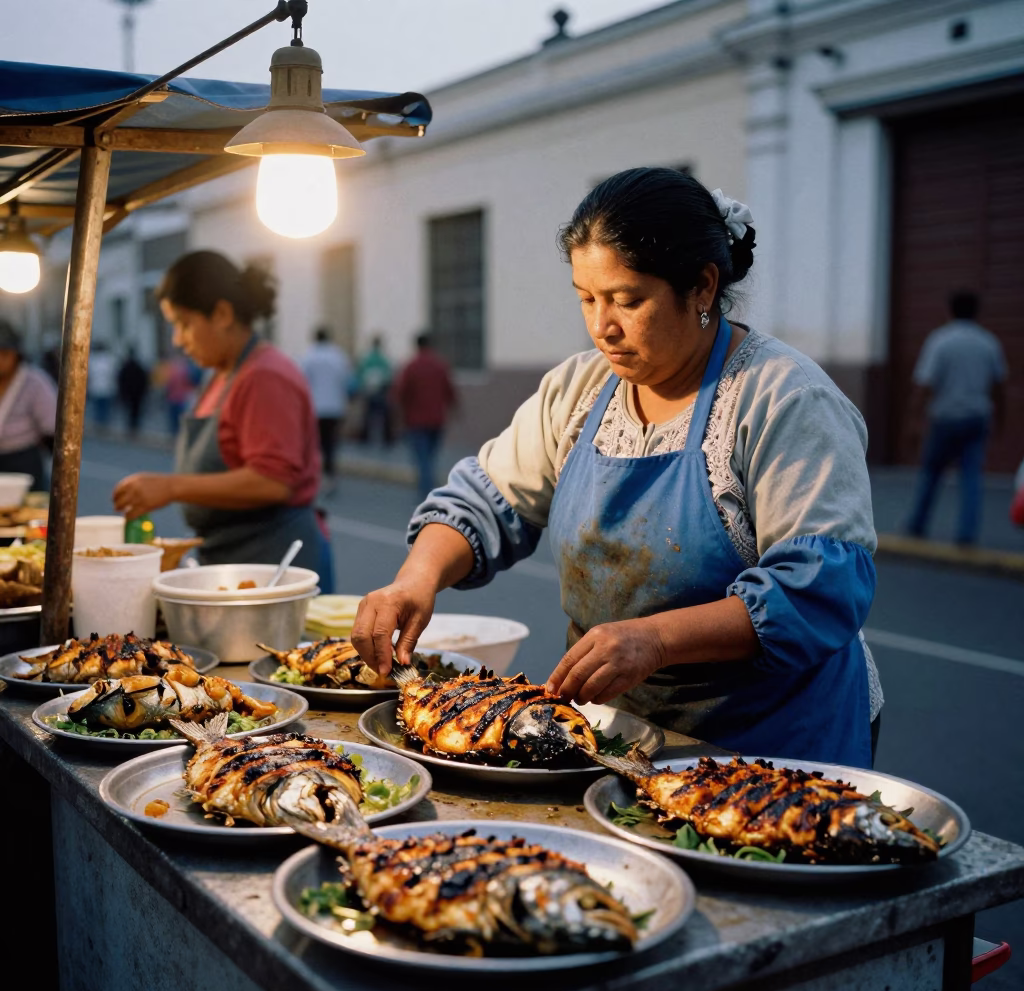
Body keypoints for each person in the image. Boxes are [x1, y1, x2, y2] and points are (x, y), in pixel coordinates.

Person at [352, 168, 881, 768]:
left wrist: (655, 639)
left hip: (772, 748)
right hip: (618, 736)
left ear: (703, 288)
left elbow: (818, 589)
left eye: (628, 300)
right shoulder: (577, 392)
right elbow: (485, 499)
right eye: (587, 298)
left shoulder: (782, 400)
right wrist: (416, 579)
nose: (603, 326)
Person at [111, 251, 333, 587]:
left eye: (184, 324)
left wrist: (171, 487)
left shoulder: (265, 376)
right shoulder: (220, 375)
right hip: (231, 558)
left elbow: (272, 482)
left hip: (274, 564)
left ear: (222, 314)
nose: (177, 339)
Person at [906, 291, 1007, 545]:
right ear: (977, 312)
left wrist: (914, 419)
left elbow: (925, 384)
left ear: (949, 311)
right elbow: (999, 386)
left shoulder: (940, 341)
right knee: (971, 476)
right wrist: (1000, 419)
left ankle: (917, 525)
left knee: (931, 473)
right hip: (976, 417)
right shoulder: (988, 342)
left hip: (945, 418)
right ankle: (966, 533)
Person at [392, 332, 457, 500]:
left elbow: (401, 392)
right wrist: (454, 409)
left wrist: (400, 414)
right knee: (430, 456)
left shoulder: (411, 366)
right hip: (436, 419)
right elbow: (449, 389)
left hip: (416, 420)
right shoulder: (440, 365)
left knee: (422, 458)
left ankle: (427, 492)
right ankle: (429, 486)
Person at [0, 319, 57, 490]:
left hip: (23, 460)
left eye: (4, 354)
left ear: (16, 354)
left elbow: (51, 428)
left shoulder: (35, 382)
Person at [300, 326, 352, 494]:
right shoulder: (338, 356)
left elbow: (302, 381)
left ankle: (317, 476)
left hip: (315, 408)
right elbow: (347, 380)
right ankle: (331, 475)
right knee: (331, 444)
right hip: (335, 408)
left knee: (315, 445)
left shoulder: (309, 356)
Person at [356, 335, 393, 446]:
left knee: (367, 415)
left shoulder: (367, 358)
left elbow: (360, 373)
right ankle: (386, 438)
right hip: (381, 389)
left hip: (369, 389)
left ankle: (365, 437)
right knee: (384, 415)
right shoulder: (383, 358)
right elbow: (389, 374)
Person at [117, 345, 149, 436]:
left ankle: (130, 428)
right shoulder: (139, 366)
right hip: (137, 394)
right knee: (135, 412)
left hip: (129, 393)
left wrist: (122, 393)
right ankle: (134, 428)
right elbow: (144, 380)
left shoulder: (125, 366)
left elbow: (121, 380)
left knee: (128, 412)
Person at [87, 341, 118, 430]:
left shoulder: (92, 359)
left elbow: (90, 375)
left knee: (98, 408)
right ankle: (104, 424)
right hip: (107, 388)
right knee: (105, 408)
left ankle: (99, 424)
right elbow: (114, 373)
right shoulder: (110, 359)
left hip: (96, 388)